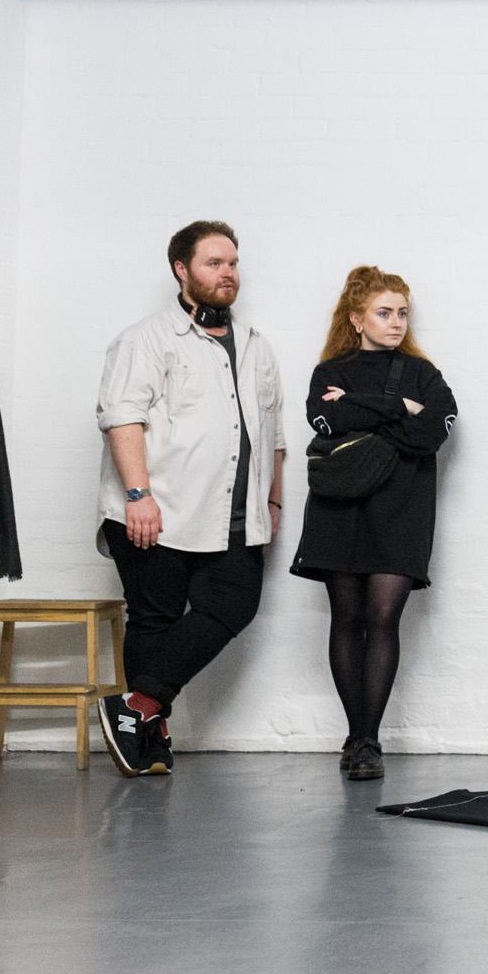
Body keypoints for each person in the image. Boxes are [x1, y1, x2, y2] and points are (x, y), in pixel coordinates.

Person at [93, 221, 286, 777]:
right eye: (213, 263)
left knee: (234, 604)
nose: (228, 273)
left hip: (235, 513)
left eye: (232, 263)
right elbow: (121, 417)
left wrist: (271, 502)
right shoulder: (145, 338)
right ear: (181, 270)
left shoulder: (255, 346)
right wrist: (138, 495)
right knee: (153, 618)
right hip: (159, 508)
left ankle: (137, 707)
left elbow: (272, 435)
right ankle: (151, 740)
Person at [291, 267, 459, 781]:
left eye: (402, 313)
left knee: (383, 619)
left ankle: (368, 738)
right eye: (385, 313)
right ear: (357, 319)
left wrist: (366, 408)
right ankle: (357, 735)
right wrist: (397, 410)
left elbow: (432, 432)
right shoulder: (330, 371)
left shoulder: (423, 374)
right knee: (347, 619)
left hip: (403, 510)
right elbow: (324, 422)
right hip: (339, 509)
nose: (396, 323)